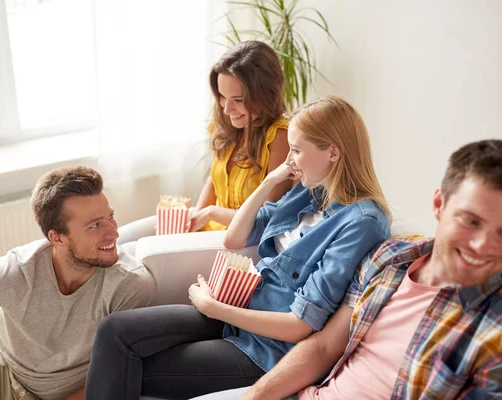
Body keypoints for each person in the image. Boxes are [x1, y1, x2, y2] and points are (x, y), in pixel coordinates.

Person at [84, 95, 392, 400]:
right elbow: (234, 237)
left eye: (297, 150)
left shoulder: (362, 222)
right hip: (239, 309)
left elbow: (300, 325)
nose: (291, 160)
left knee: (128, 366)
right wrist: (270, 180)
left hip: (265, 349)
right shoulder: (311, 191)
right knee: (113, 331)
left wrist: (213, 308)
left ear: (333, 153)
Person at [196, 139, 502, 400]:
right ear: (439, 204)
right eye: (470, 221)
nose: (483, 245)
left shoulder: (493, 334)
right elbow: (324, 347)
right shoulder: (391, 258)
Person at [0, 166, 156, 400]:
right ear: (57, 238)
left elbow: (118, 376)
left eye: (110, 217)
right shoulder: (12, 273)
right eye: (95, 225)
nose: (114, 232)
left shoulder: (130, 284)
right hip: (1, 374)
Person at [117, 40, 292, 245]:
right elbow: (215, 180)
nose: (227, 109)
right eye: (222, 96)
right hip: (209, 226)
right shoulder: (230, 127)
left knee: (143, 253)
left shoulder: (281, 137)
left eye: (237, 99)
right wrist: (195, 220)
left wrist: (210, 213)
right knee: (124, 241)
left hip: (238, 241)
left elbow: (265, 219)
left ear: (265, 94)